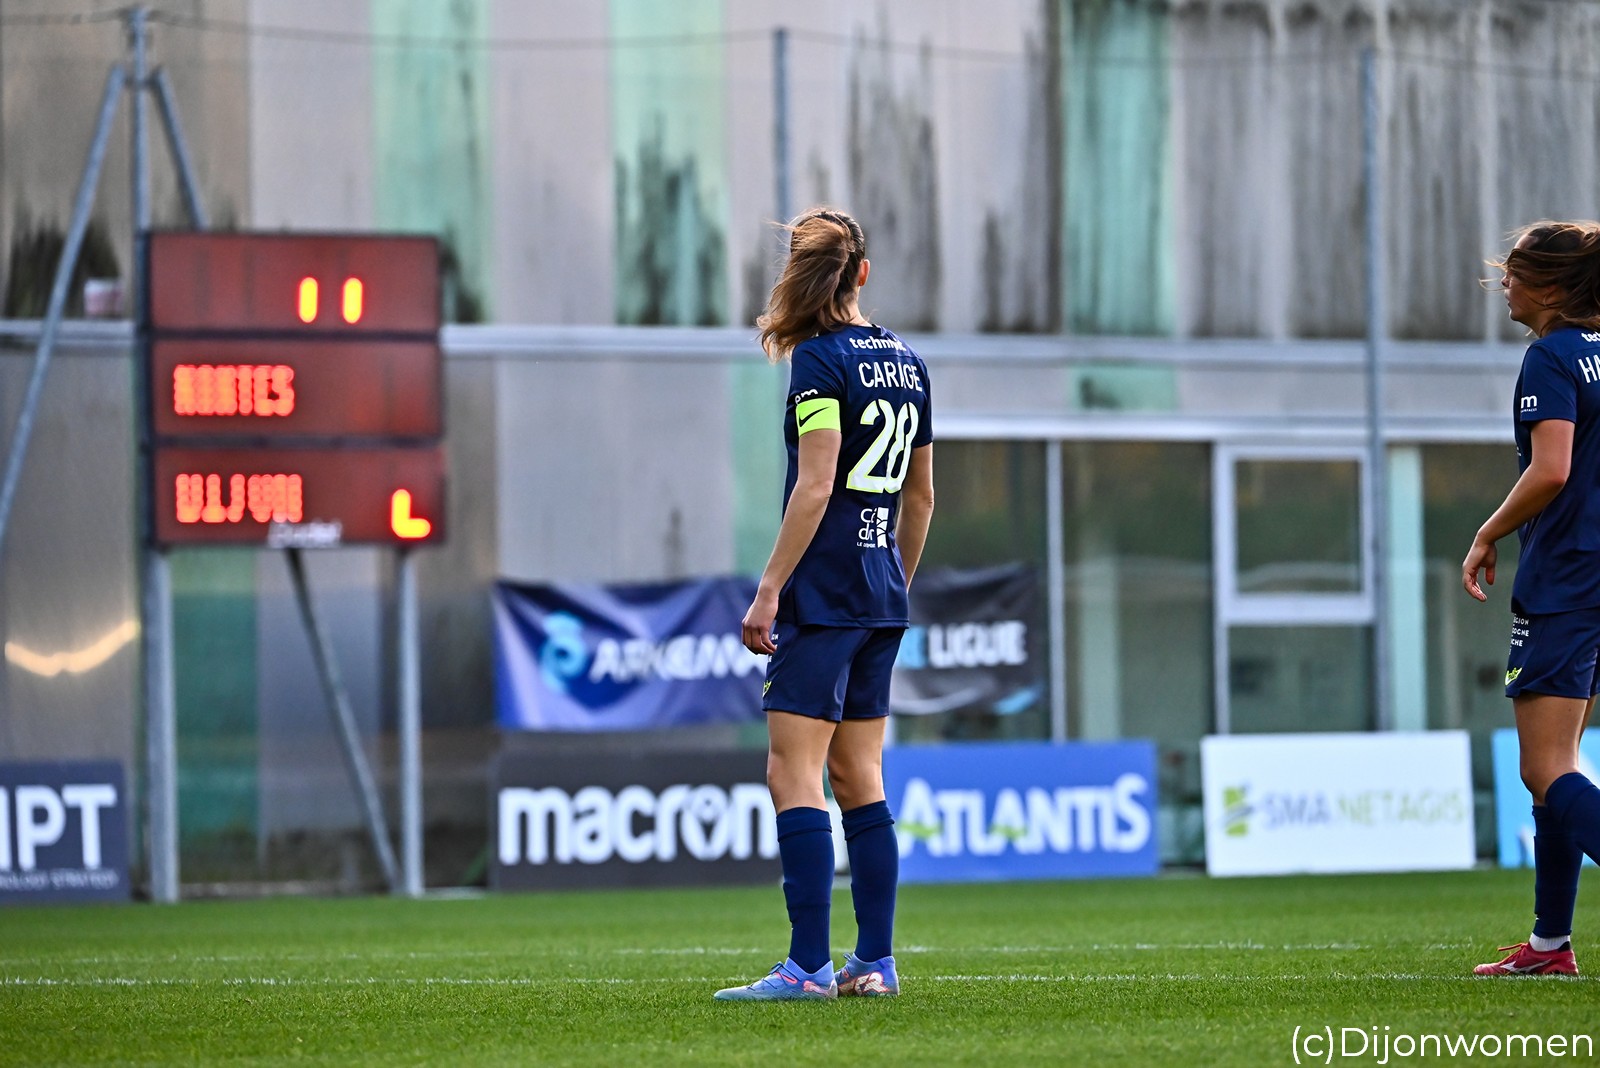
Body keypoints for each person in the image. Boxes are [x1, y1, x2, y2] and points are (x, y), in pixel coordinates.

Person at [714, 208, 934, 1001]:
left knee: (791, 771)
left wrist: (770, 589)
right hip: (880, 593)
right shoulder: (909, 363)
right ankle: (873, 963)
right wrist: (893, 583)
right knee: (859, 774)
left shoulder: (818, 360)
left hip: (824, 593)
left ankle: (806, 967)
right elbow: (922, 497)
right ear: (863, 274)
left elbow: (815, 485)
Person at [1463, 219, 1600, 977]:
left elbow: (1550, 470)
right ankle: (1550, 946)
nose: (1504, 284)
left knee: (1544, 769)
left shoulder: (1552, 356)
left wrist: (1487, 532)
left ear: (1550, 285)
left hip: (1571, 576)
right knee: (1564, 763)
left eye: (1515, 272)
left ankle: (1550, 945)